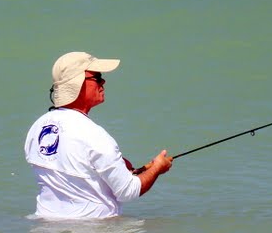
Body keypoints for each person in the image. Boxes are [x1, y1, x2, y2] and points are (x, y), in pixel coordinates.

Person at [24, 51, 173, 220]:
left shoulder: (37, 127)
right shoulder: (94, 135)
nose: (103, 81)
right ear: (77, 83)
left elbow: (71, 169)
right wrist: (157, 168)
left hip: (46, 230)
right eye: (97, 77)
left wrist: (124, 168)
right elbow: (128, 192)